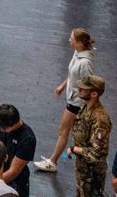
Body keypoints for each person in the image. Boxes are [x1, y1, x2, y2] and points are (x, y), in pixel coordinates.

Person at [33, 27, 96, 172]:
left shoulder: (86, 63)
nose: (69, 40)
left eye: (72, 38)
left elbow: (89, 83)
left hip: (77, 103)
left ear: (79, 43)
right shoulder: (78, 53)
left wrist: (86, 104)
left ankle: (53, 162)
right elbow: (73, 73)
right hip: (73, 99)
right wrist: (63, 85)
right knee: (69, 131)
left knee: (63, 130)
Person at [69, 74, 112, 197]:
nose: (79, 89)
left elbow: (98, 152)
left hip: (92, 173)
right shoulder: (86, 108)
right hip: (84, 169)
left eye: (83, 88)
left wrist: (75, 149)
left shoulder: (100, 119)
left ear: (94, 94)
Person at [0, 104, 35, 197]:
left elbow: (13, 171)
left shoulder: (27, 138)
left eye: (0, 129)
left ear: (10, 126)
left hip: (15, 181)